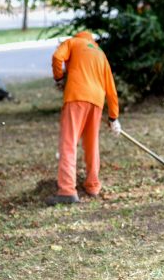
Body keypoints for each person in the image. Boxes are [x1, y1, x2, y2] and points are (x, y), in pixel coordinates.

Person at [48, 30, 121, 205]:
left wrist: (59, 77)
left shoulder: (72, 43)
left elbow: (58, 57)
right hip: (97, 101)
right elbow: (111, 89)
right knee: (91, 143)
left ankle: (67, 190)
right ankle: (93, 185)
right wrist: (113, 117)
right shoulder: (100, 53)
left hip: (76, 97)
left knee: (68, 142)